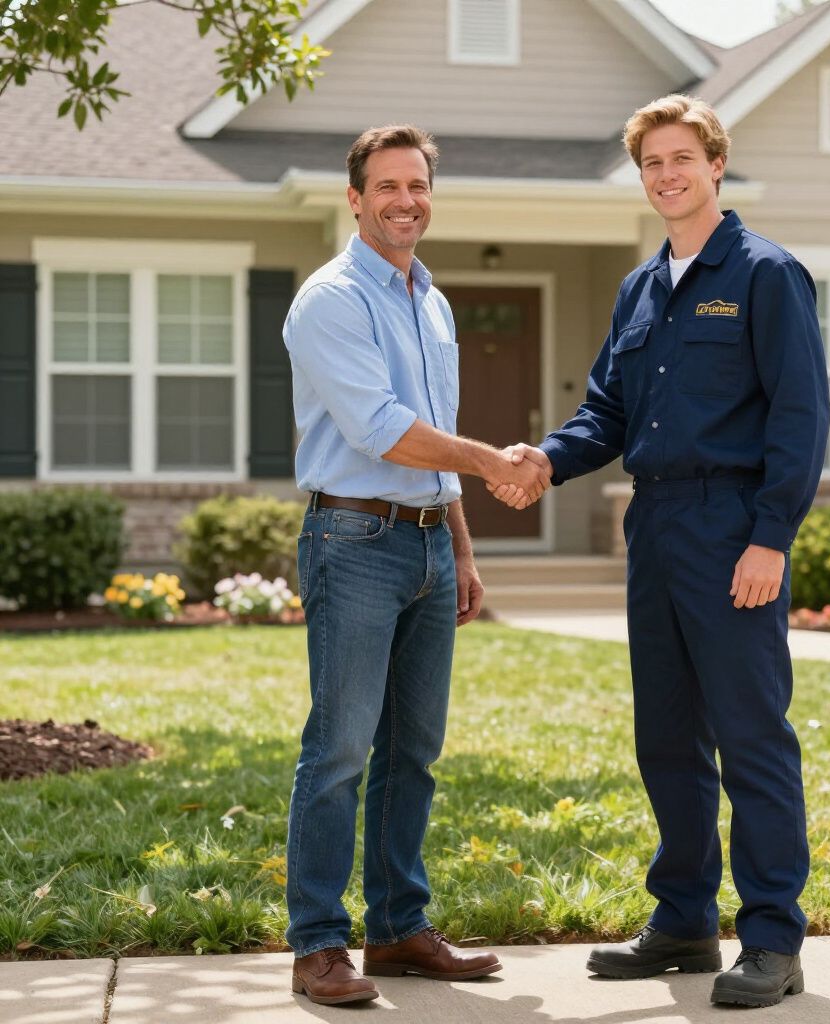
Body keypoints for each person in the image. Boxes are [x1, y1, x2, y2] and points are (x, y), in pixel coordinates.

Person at [497, 94, 829, 1008]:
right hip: (656, 528)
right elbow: (608, 410)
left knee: (752, 736)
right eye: (651, 164)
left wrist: (770, 538)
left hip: (732, 532)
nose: (667, 175)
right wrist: (544, 460)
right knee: (668, 738)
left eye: (683, 158)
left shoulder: (766, 274)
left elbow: (801, 419)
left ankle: (771, 938)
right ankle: (684, 919)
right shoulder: (641, 290)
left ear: (716, 165)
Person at [282, 123, 550, 1007]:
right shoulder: (330, 299)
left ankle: (398, 929)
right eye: (388, 186)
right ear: (354, 198)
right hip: (352, 542)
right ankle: (319, 944)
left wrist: (462, 550)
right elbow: (383, 429)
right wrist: (495, 463)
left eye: (419, 186)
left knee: (414, 749)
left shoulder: (430, 301)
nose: (406, 200)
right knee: (341, 747)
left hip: (429, 542)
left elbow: (430, 444)